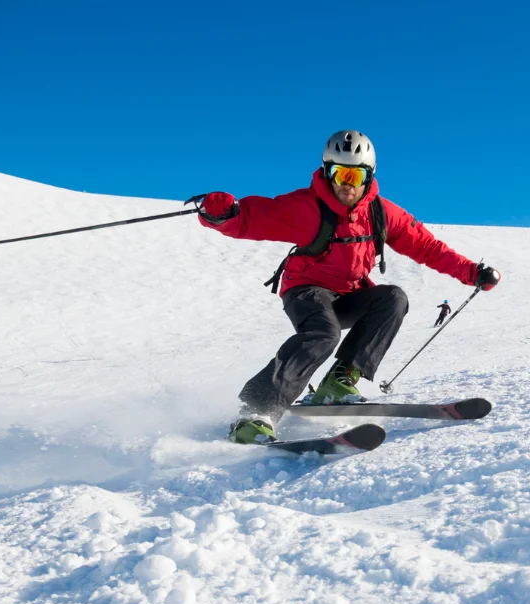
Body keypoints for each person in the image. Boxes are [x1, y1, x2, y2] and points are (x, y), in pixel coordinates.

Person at [193, 130, 501, 444]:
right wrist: (222, 215)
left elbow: (427, 247)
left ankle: (339, 382)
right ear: (328, 173)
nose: (347, 184)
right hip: (306, 290)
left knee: (393, 298)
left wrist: (471, 272)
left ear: (369, 176)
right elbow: (253, 218)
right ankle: (256, 413)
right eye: (340, 174)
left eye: (355, 175)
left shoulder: (381, 213)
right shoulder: (306, 207)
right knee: (323, 333)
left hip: (348, 294)